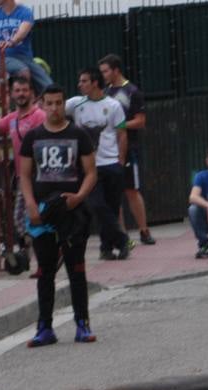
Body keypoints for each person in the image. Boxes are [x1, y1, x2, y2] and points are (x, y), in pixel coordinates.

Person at [19, 83, 96, 346]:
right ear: (42, 104)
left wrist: (78, 198)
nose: (54, 108)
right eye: (49, 103)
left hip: (72, 213)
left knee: (76, 269)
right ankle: (45, 328)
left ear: (64, 103)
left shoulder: (79, 134)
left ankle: (82, 324)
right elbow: (24, 175)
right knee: (45, 271)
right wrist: (30, 204)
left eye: (58, 103)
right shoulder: (32, 137)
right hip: (42, 212)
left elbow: (91, 173)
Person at [67, 67, 129, 261]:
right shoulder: (76, 104)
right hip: (89, 167)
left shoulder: (113, 105)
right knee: (96, 204)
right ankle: (122, 239)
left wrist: (120, 159)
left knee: (110, 207)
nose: (80, 85)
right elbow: (54, 108)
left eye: (84, 81)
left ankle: (106, 247)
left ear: (95, 83)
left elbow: (121, 133)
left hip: (111, 163)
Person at [100, 54, 154, 245]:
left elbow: (140, 121)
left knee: (131, 190)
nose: (103, 75)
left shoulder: (132, 92)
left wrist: (120, 125)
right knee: (114, 194)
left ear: (116, 70)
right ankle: (121, 234)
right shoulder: (104, 93)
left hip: (129, 148)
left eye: (106, 71)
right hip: (109, 150)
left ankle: (144, 231)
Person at [0, 0, 52, 92]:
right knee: (23, 71)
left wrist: (11, 42)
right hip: (4, 58)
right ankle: (21, 102)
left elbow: (22, 32)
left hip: (25, 58)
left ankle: (37, 101)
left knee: (49, 86)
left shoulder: (25, 12)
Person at [0, 73, 44, 162]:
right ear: (12, 94)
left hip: (36, 173)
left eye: (25, 90)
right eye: (17, 90)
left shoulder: (40, 115)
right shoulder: (11, 117)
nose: (21, 93)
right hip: (19, 174)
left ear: (31, 93)